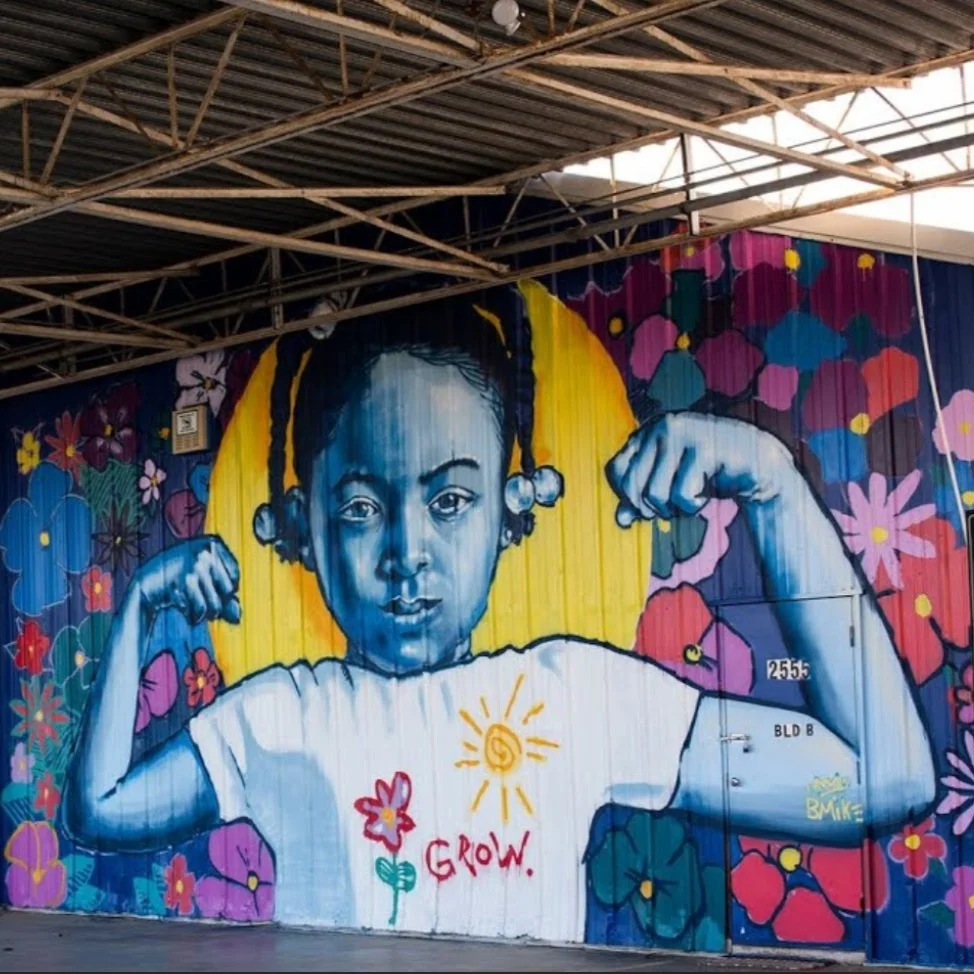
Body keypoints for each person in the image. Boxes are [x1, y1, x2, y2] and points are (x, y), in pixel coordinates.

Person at [64, 289, 936, 940]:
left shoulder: (572, 701)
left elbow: (881, 780)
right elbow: (99, 810)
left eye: (450, 500)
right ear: (301, 528)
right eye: (361, 508)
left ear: (512, 510)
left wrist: (773, 484)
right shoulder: (279, 718)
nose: (407, 552)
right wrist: (139, 607)